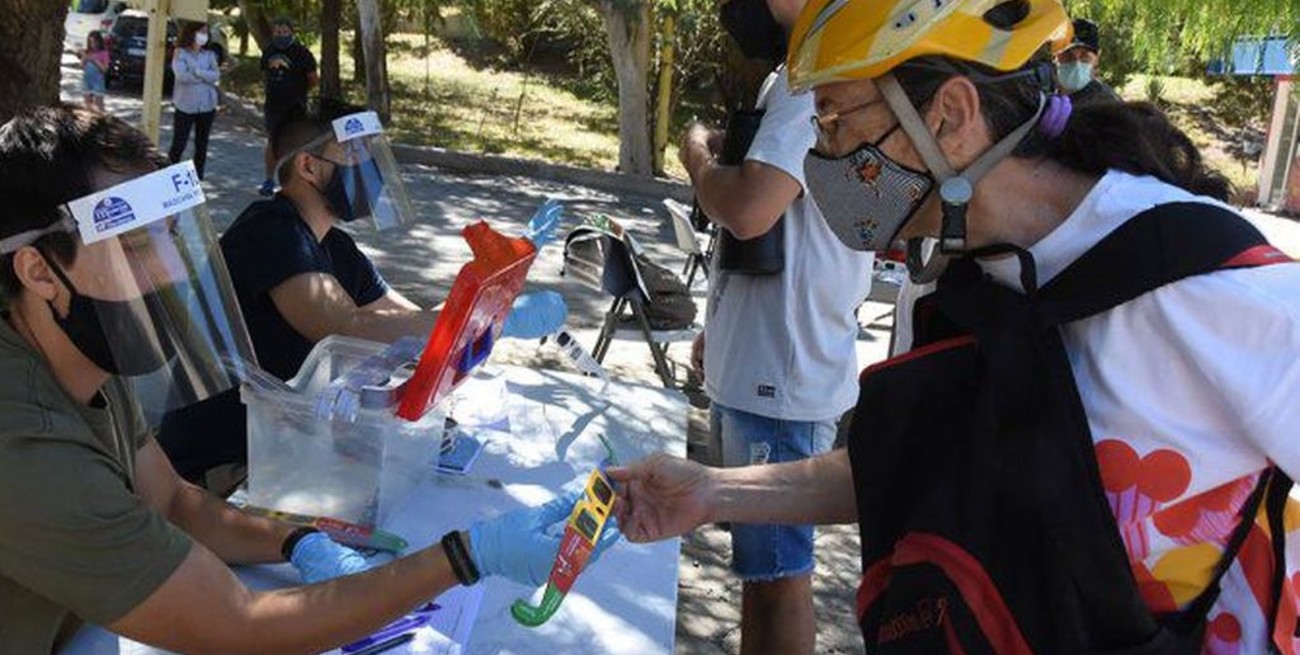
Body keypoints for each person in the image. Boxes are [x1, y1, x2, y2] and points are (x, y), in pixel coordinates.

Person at [611, 0, 1300, 651]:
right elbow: (908, 463)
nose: (824, 159)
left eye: (836, 122)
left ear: (950, 114)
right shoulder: (950, 279)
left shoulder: (1210, 289)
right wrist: (711, 492)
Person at [0, 104, 612, 655]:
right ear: (40, 271)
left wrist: (297, 541)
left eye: (170, 236)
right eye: (136, 245)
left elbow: (174, 501)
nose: (173, 270)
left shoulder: (85, 364)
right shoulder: (25, 443)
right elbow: (239, 623)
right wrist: (466, 555)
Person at [157, 103, 565, 484]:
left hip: (284, 444)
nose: (370, 168)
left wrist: (498, 283)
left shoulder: (335, 247)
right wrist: (487, 320)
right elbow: (349, 327)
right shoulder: (271, 232)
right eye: (355, 154)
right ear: (308, 166)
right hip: (221, 468)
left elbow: (409, 328)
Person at [678, 0, 872, 651]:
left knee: (780, 575)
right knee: (761, 574)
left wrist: (698, 156)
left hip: (780, 380)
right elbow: (780, 231)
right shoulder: (798, 76)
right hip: (764, 367)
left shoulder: (810, 79)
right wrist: (723, 324)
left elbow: (749, 209)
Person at [258, 17, 316, 196]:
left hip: (295, 106)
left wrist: (300, 92)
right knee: (273, 142)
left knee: (294, 144)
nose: (281, 35)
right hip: (273, 105)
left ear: (291, 32)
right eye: (277, 31)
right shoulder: (269, 51)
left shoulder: (302, 53)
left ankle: (292, 183)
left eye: (284, 31)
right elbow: (264, 74)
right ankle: (269, 180)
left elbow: (313, 79)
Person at [168, 21, 221, 179]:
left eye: (206, 32)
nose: (204, 36)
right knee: (179, 143)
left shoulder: (209, 54)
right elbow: (182, 76)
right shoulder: (180, 53)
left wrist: (197, 72)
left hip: (207, 105)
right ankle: (168, 174)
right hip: (185, 105)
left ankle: (198, 176)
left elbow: (216, 75)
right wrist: (205, 76)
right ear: (191, 33)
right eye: (201, 32)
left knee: (201, 144)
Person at [1056, 18, 1121, 104]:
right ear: (1056, 57)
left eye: (1084, 56)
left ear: (1096, 59)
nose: (1076, 63)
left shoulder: (1107, 104)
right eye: (1068, 56)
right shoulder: (1047, 99)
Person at [81, 31, 109, 112]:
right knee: (87, 104)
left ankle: (102, 117)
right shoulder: (88, 52)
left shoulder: (104, 53)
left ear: (99, 42)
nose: (93, 45)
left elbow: (105, 69)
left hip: (98, 81)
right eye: (90, 42)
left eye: (94, 42)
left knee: (99, 104)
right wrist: (84, 58)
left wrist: (95, 61)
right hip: (87, 80)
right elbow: (82, 67)